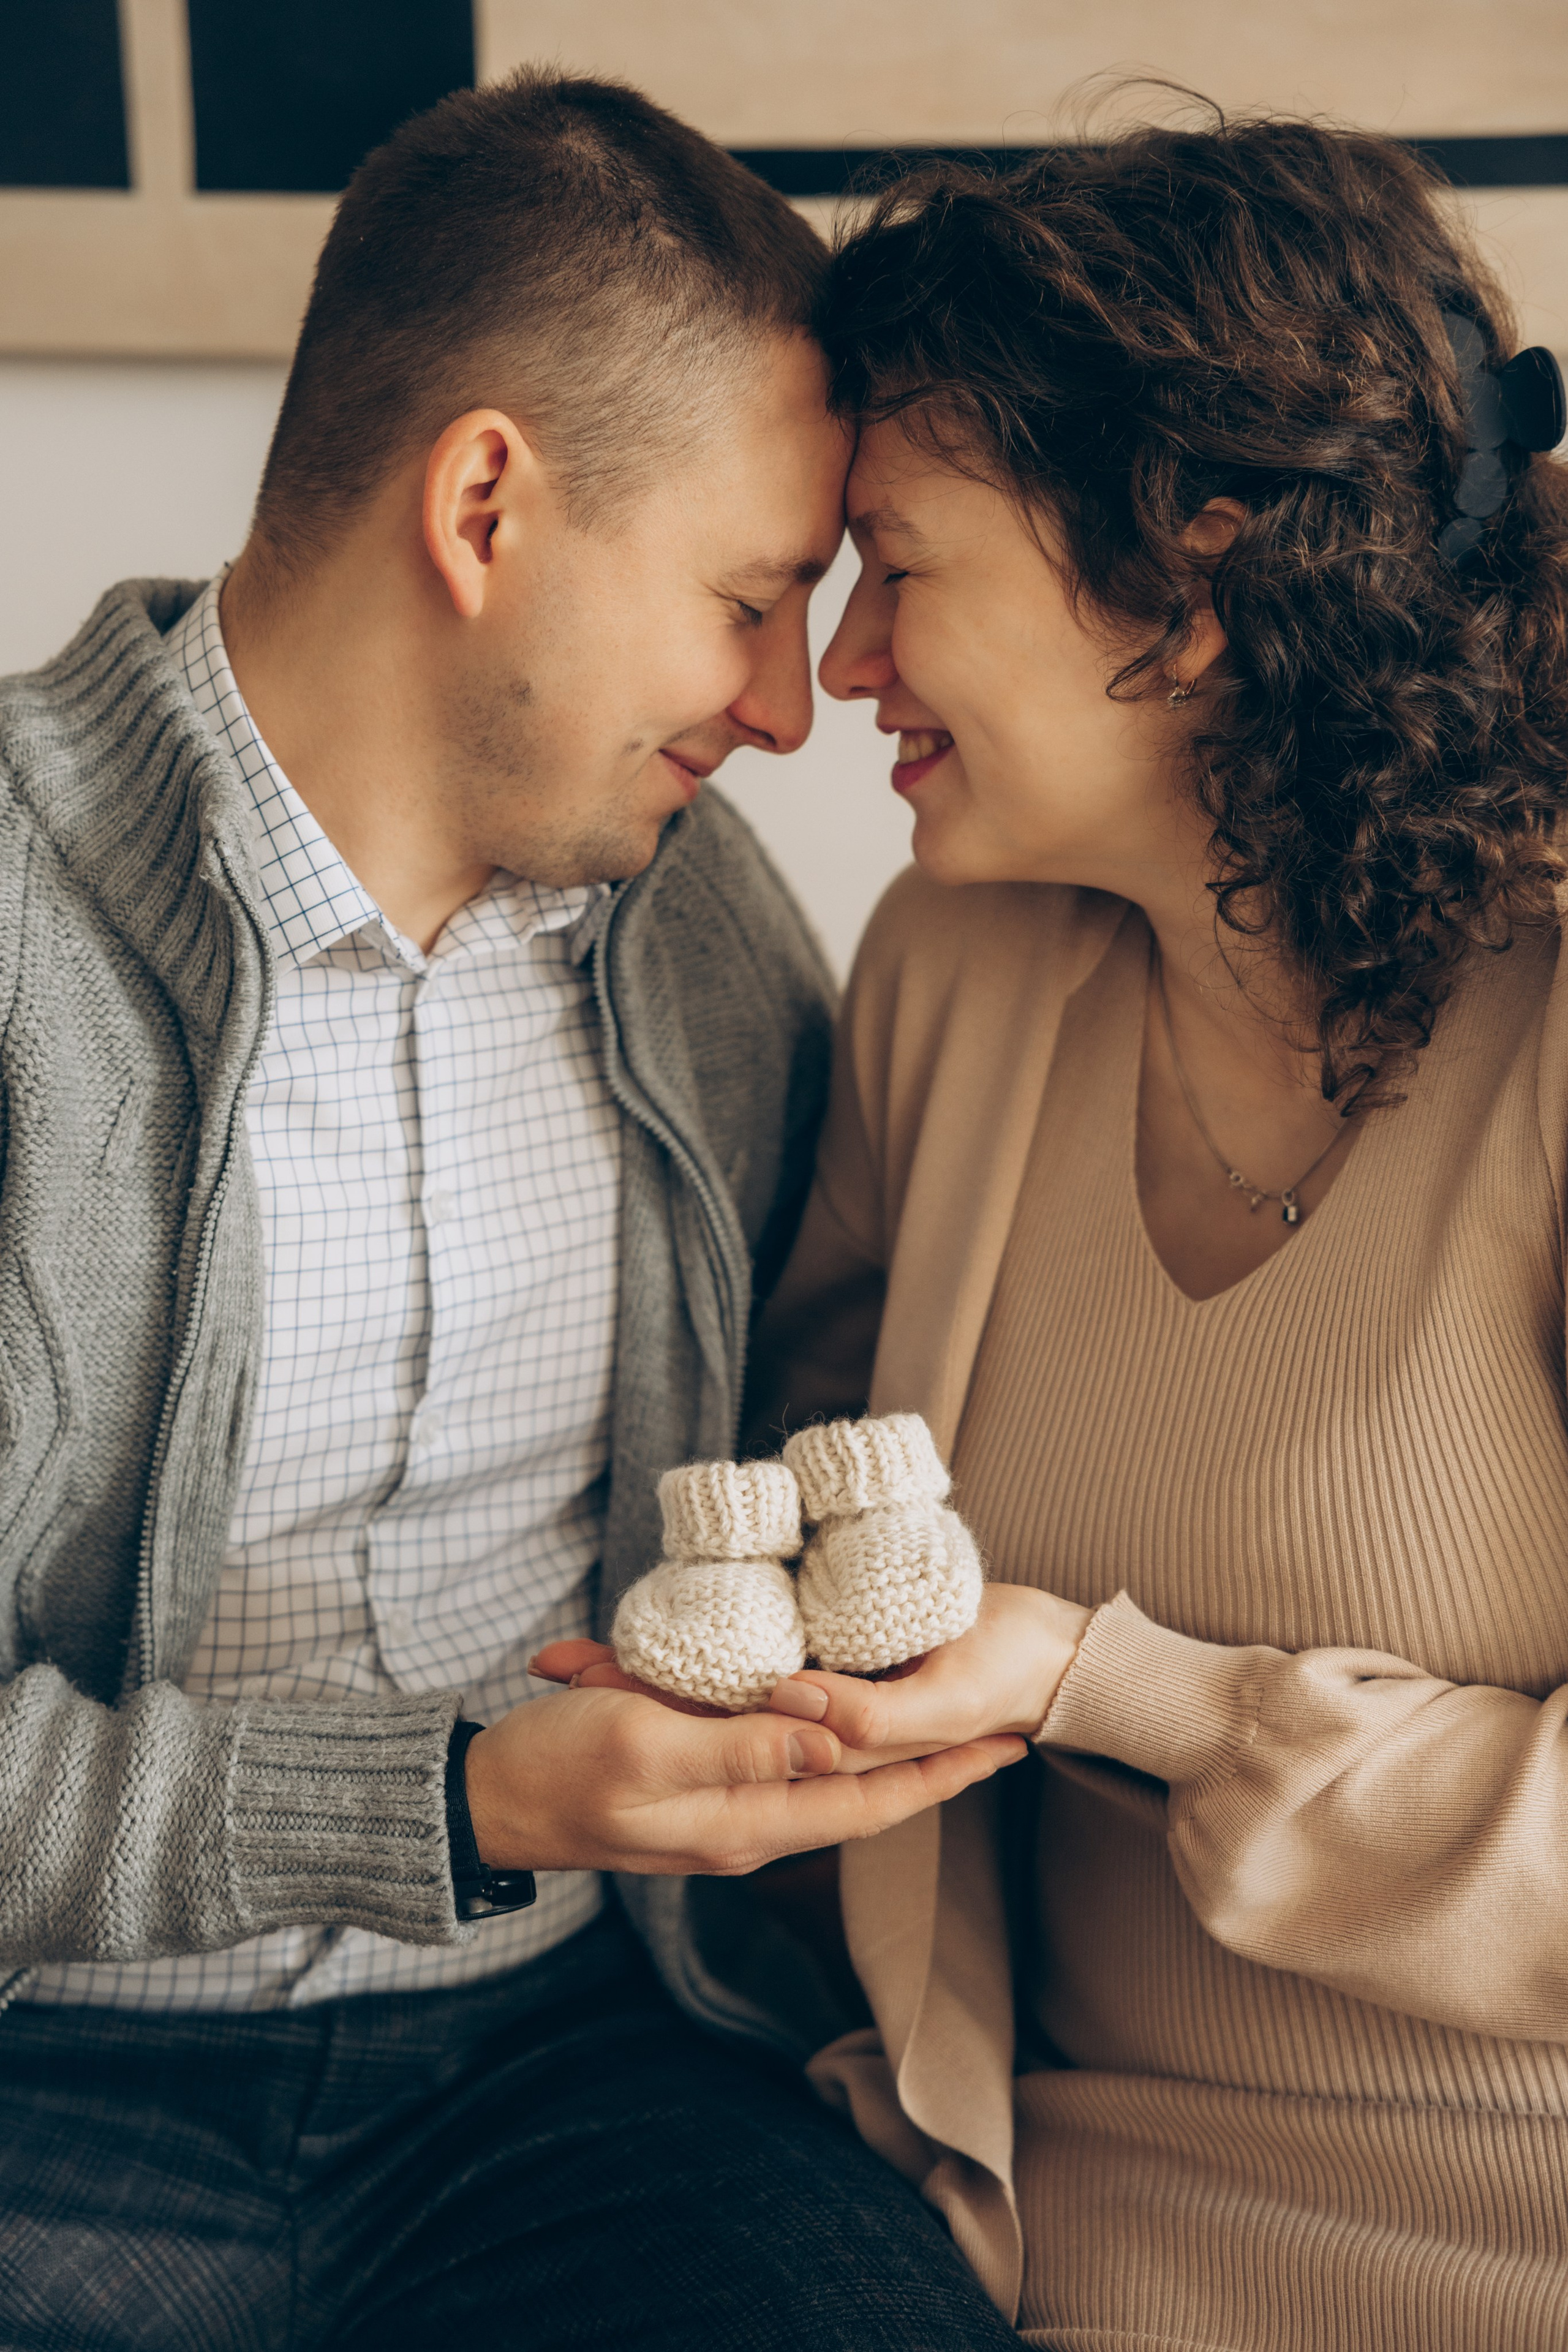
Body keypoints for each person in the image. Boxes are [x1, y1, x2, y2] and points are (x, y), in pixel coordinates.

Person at [0, 69, 1025, 2352]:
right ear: (487, 504)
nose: (789, 708)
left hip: (559, 2062)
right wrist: (449, 1798)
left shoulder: (699, 934)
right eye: (751, 600)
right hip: (49, 2073)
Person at [740, 114, 1568, 2350]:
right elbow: (810, 1525)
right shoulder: (953, 973)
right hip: (1031, 2225)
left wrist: (1139, 1697)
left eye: (901, 567)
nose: (839, 670)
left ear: (1194, 577)